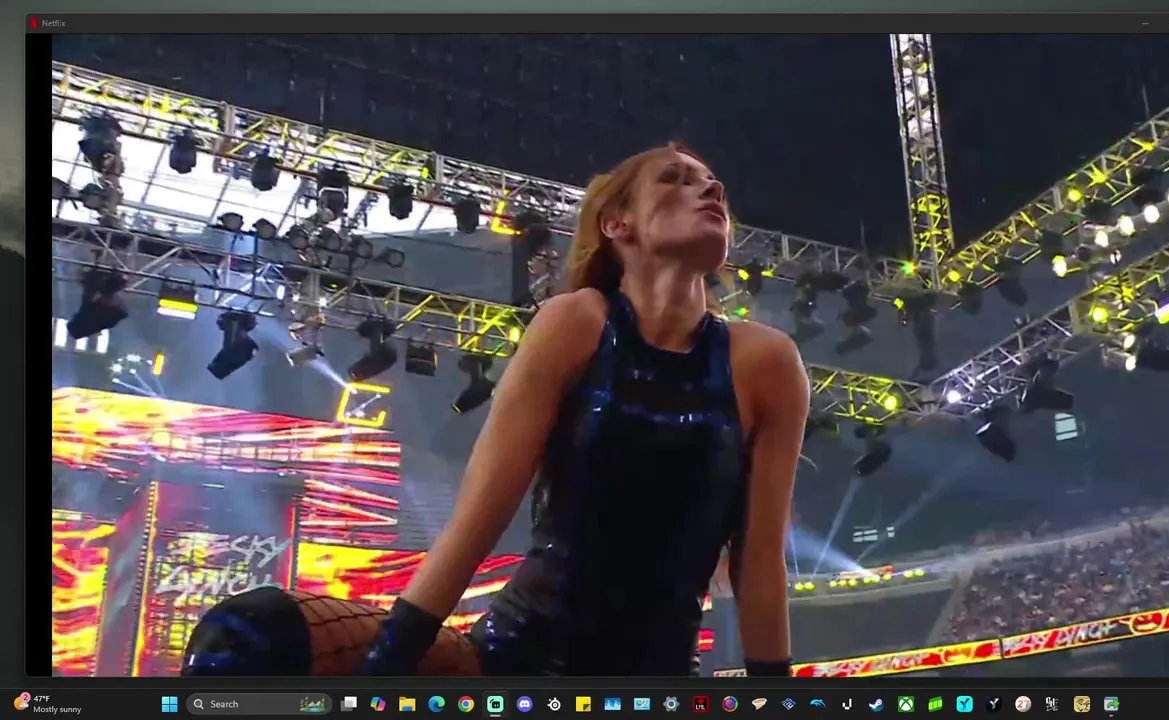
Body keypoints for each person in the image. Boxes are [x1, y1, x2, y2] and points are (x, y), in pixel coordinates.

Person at [181, 143, 807, 677]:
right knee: (250, 636)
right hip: (513, 656)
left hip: (654, 677)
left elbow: (759, 562)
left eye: (712, 183)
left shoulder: (768, 362)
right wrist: (388, 666)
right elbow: (479, 519)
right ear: (619, 223)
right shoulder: (575, 322)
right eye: (676, 179)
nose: (710, 189)